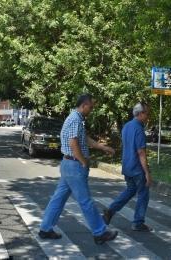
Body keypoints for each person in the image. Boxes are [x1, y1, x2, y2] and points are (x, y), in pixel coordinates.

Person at [39, 94, 118, 245]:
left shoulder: (77, 119)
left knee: (59, 198)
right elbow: (73, 142)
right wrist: (83, 161)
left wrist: (102, 147)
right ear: (84, 105)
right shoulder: (75, 119)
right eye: (91, 107)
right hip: (74, 165)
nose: (92, 110)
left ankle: (45, 228)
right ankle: (100, 232)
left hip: (69, 164)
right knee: (86, 201)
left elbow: (84, 139)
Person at [103, 102, 152, 232]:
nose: (148, 117)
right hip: (137, 168)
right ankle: (138, 222)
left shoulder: (126, 126)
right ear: (141, 114)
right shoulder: (139, 129)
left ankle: (111, 210)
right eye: (147, 113)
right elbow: (141, 152)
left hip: (127, 166)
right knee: (143, 193)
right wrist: (147, 172)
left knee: (130, 190)